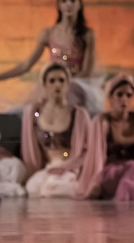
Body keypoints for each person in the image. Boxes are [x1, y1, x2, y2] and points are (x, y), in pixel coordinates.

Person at [0, 0, 103, 114]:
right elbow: (26, 65)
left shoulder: (87, 35)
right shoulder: (48, 34)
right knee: (35, 109)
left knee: (65, 95)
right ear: (58, 5)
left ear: (79, 4)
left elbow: (86, 72)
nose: (68, 4)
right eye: (64, 1)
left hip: (76, 85)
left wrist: (64, 83)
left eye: (72, 0)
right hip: (53, 83)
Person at [20, 62, 97, 198]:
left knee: (54, 188)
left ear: (68, 84)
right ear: (45, 84)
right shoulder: (35, 113)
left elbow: (88, 149)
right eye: (52, 81)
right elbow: (30, 141)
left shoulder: (78, 114)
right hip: (47, 167)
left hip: (70, 167)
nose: (57, 85)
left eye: (61, 80)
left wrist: (68, 165)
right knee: (33, 187)